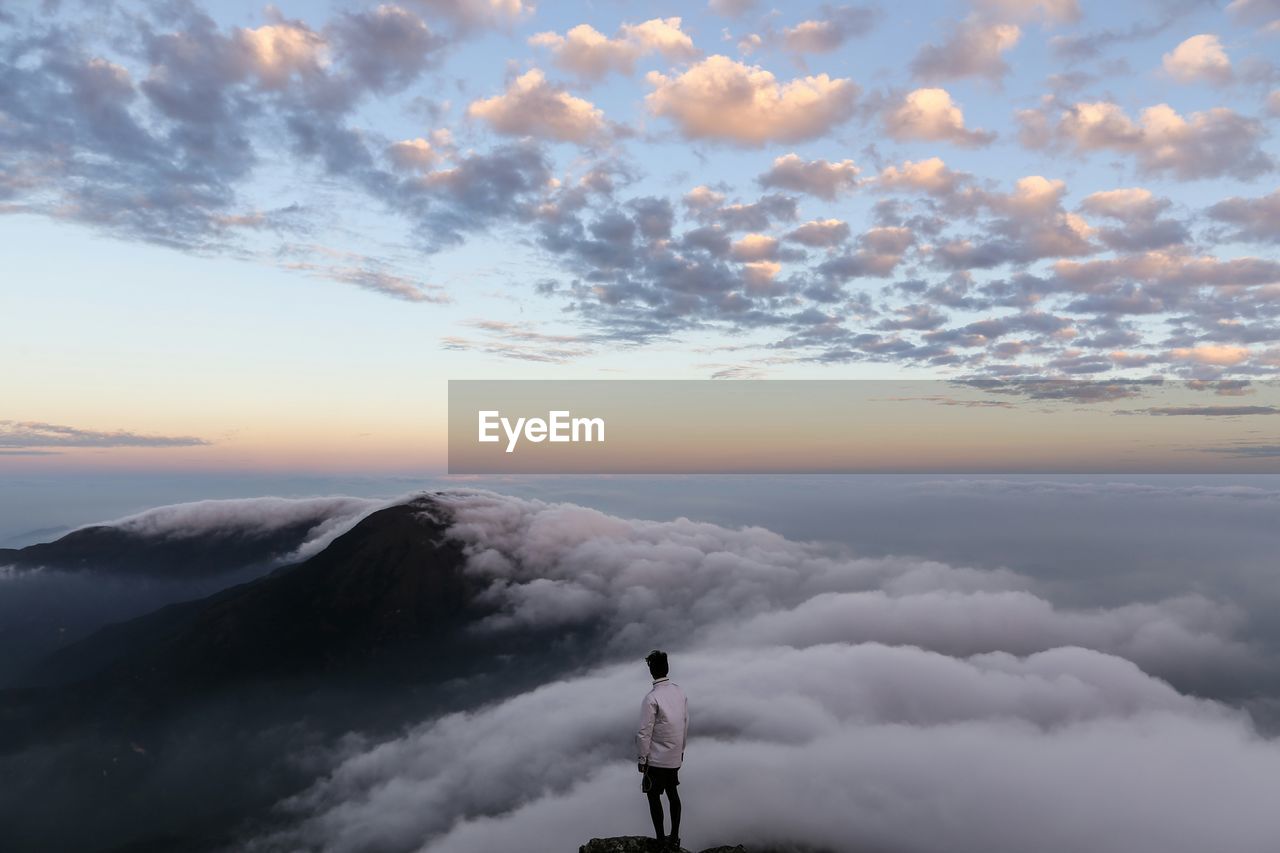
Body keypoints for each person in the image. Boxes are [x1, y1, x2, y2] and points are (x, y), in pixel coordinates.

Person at [636, 649, 688, 849]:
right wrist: (681, 750)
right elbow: (685, 722)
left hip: (656, 759)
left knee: (653, 796)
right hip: (675, 755)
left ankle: (660, 840)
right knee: (673, 793)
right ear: (667, 668)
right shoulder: (679, 691)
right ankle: (674, 837)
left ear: (651, 671)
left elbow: (644, 732)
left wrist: (642, 760)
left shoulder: (651, 698)